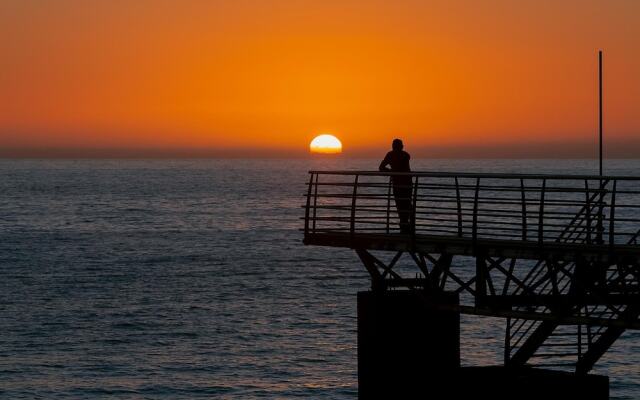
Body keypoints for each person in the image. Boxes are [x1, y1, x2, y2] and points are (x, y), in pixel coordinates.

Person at [379, 139, 413, 234]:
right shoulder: (405, 155)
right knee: (406, 205)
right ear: (401, 146)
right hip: (406, 183)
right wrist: (392, 172)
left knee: (401, 205)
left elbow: (381, 168)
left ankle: (405, 227)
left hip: (400, 184)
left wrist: (391, 172)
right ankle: (407, 227)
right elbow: (382, 167)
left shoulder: (391, 155)